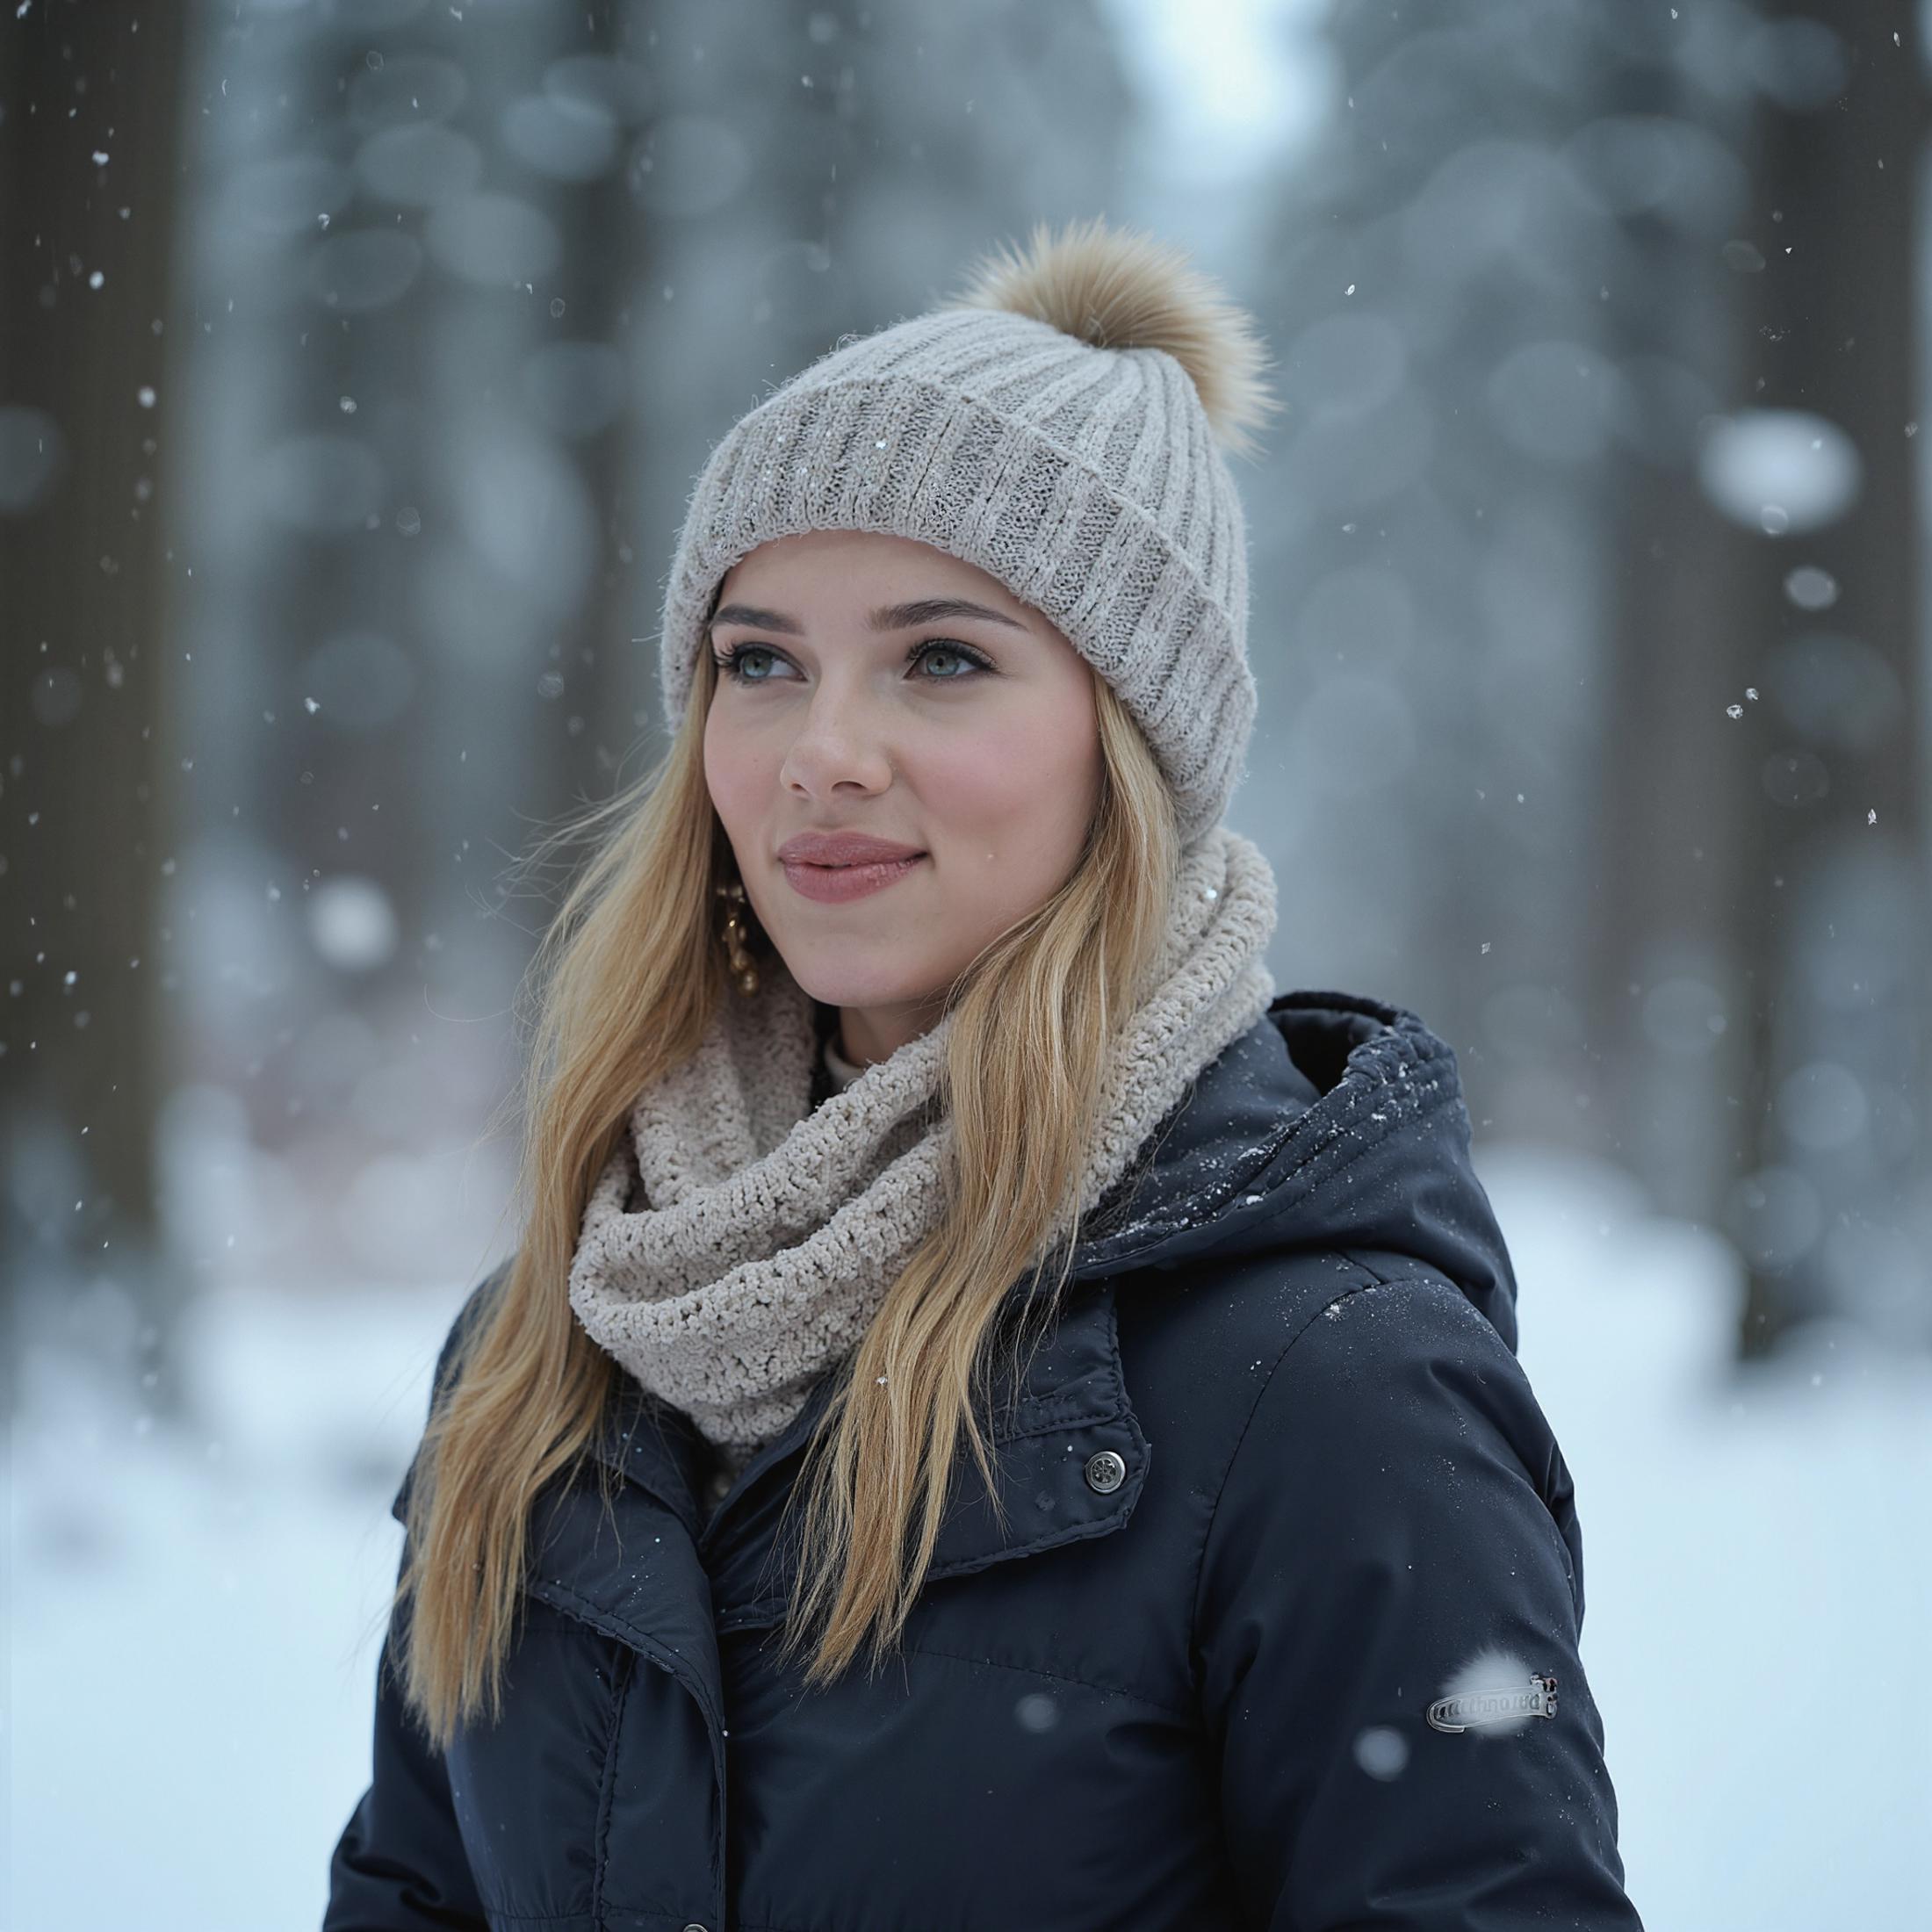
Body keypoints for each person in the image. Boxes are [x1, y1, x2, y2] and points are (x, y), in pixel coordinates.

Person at [323, 217, 1646, 1931]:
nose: (822, 753)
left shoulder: (1330, 1391)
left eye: (940, 657)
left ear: (1129, 751)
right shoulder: (557, 1334)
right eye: (759, 660)